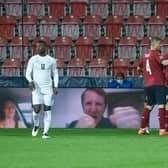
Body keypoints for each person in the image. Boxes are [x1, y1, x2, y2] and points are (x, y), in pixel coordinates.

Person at [26, 40, 59, 139]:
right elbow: (28, 72)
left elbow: (55, 74)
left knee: (47, 110)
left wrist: (56, 86)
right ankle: (36, 125)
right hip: (36, 88)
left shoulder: (51, 60)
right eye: (37, 46)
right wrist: (30, 81)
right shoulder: (33, 59)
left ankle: (45, 133)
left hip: (48, 88)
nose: (38, 48)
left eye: (40, 46)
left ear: (45, 47)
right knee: (36, 110)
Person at [137, 36, 167, 136]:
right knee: (161, 105)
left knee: (148, 106)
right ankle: (162, 130)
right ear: (153, 44)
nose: (160, 46)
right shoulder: (156, 54)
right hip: (158, 84)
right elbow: (163, 62)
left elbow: (138, 67)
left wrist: (146, 74)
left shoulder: (144, 56)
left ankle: (142, 129)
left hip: (147, 85)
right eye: (159, 44)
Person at [68, 88, 140, 128]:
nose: (93, 110)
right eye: (88, 103)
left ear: (104, 108)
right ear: (83, 106)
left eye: (98, 104)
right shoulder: (73, 126)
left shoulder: (115, 126)